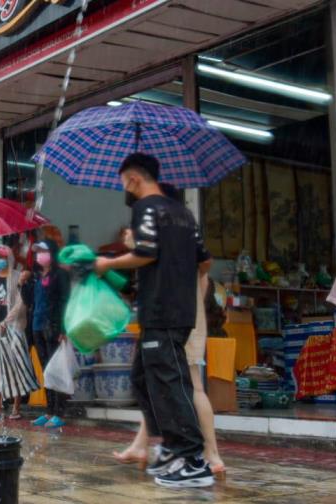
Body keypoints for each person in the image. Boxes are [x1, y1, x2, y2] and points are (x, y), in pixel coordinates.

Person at [95, 153, 214, 488]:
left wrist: (106, 264)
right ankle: (169, 447)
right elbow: (206, 261)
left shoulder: (146, 208)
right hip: (177, 309)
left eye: (123, 182)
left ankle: (192, 459)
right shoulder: (184, 214)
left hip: (162, 310)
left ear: (133, 178)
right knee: (143, 378)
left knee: (169, 381)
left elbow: (147, 253)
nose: (125, 189)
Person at [112, 183, 225, 479]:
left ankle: (204, 455)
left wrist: (136, 246)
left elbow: (196, 272)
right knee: (157, 379)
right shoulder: (178, 229)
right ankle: (153, 446)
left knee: (186, 385)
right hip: (177, 315)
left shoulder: (175, 230)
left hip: (178, 316)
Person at [0, 246, 38, 421]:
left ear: (9, 258)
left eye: (1, 256)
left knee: (15, 367)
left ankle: (16, 407)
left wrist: (6, 322)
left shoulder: (16, 277)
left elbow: (21, 302)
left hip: (14, 328)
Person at [22, 240, 71, 428]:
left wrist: (63, 328)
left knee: (56, 369)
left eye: (43, 250)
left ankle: (60, 411)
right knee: (45, 370)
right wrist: (23, 284)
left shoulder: (60, 275)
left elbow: (65, 301)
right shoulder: (35, 277)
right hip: (37, 326)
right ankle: (49, 411)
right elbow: (29, 301)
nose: (40, 254)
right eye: (37, 251)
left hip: (54, 326)